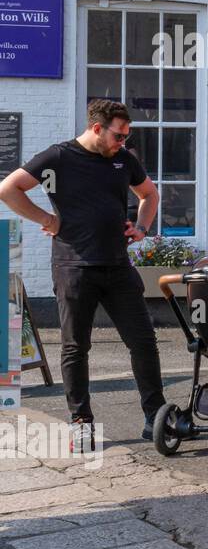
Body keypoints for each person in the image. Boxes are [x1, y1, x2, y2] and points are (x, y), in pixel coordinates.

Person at [0, 99, 165, 453]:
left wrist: (141, 227)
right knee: (76, 348)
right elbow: (8, 189)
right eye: (118, 136)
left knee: (143, 342)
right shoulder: (58, 158)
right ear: (96, 129)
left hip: (118, 266)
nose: (123, 142)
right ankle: (82, 423)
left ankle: (156, 415)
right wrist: (46, 220)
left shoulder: (123, 159)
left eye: (126, 136)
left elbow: (149, 194)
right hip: (74, 268)